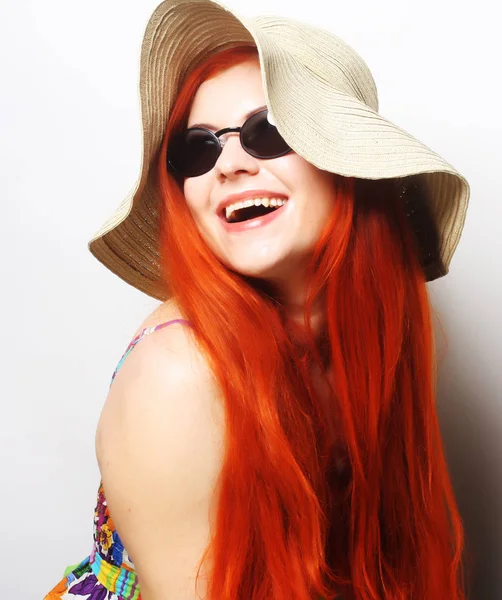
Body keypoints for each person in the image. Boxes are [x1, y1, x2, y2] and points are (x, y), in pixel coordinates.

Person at [44, 0, 472, 598]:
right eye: (197, 150)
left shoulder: (378, 339)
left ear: (350, 164)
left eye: (267, 132)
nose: (228, 166)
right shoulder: (181, 376)